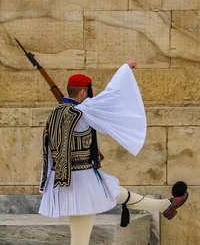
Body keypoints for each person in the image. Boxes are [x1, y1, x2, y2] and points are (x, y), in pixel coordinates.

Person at [38, 59, 189, 245]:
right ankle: (165, 206)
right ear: (83, 92)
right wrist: (125, 70)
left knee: (113, 191)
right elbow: (111, 95)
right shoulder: (83, 110)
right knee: (79, 238)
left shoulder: (56, 113)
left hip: (63, 177)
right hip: (81, 181)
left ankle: (164, 206)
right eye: (88, 93)